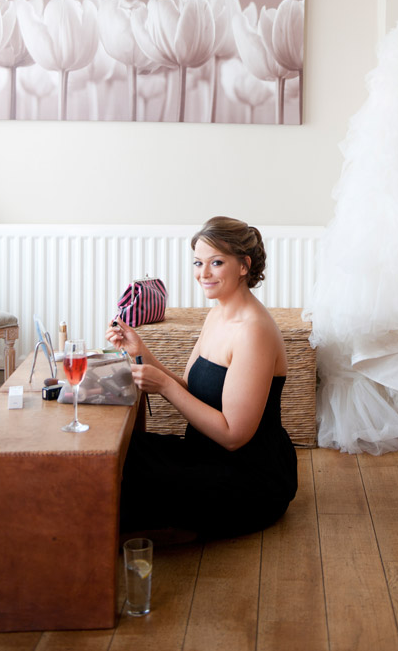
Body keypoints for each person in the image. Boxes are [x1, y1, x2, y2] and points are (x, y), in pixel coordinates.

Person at [107, 216, 298, 539]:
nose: (203, 273)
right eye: (198, 262)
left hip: (248, 476)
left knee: (130, 479)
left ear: (243, 265)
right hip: (202, 454)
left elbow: (233, 436)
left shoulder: (254, 332)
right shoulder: (218, 313)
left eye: (216, 262)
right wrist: (140, 351)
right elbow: (190, 389)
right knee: (118, 452)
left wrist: (163, 386)